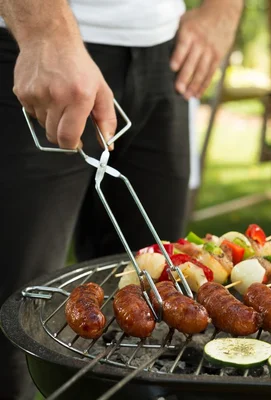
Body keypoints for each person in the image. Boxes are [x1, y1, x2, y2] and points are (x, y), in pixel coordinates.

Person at [0, 0, 242, 398]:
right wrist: (44, 31)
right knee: (14, 329)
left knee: (161, 334)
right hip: (32, 45)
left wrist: (223, 10)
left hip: (167, 54)